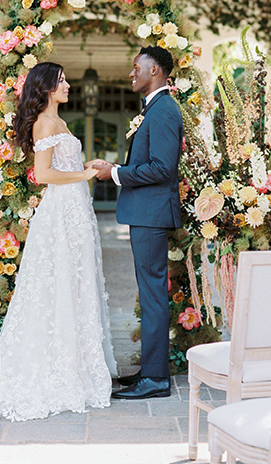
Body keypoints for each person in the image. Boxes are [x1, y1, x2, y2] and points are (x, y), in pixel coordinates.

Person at [0, 61, 117, 420]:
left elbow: (64, 165)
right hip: (59, 215)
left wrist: (88, 167)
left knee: (74, 283)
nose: (69, 85)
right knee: (57, 284)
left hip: (74, 210)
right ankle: (56, 371)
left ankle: (76, 366)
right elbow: (43, 174)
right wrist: (83, 173)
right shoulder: (44, 122)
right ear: (47, 87)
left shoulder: (60, 122)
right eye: (62, 81)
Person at [95, 46, 183, 400]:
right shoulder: (155, 109)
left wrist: (115, 172)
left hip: (151, 215)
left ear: (156, 72)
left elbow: (163, 168)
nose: (131, 73)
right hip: (146, 213)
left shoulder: (162, 111)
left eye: (137, 68)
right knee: (150, 296)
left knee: (153, 298)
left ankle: (156, 380)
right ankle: (150, 373)